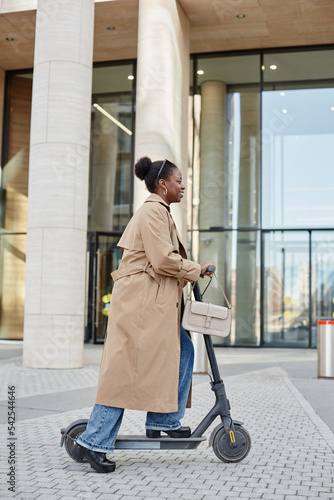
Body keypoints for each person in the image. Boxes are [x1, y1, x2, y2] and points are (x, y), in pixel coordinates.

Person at [72, 157, 215, 473]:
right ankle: (94, 441)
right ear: (163, 184)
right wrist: (196, 269)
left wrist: (190, 271)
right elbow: (164, 260)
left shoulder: (159, 212)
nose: (183, 186)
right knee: (123, 374)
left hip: (151, 306)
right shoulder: (152, 212)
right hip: (141, 308)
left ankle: (163, 418)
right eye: (179, 181)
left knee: (184, 350)